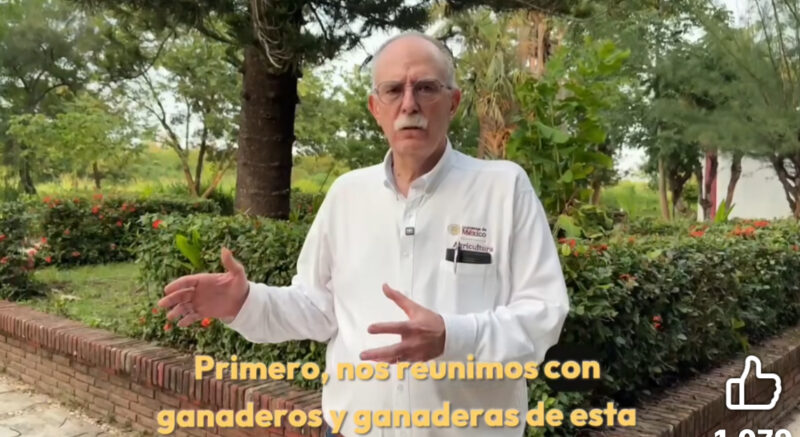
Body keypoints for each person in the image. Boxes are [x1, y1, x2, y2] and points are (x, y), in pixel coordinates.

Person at [158, 31, 570, 437]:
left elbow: (544, 315)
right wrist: (244, 302)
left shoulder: (503, 188)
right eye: (393, 90)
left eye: (426, 88)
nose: (409, 104)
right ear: (376, 107)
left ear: (454, 102)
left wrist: (452, 336)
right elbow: (316, 307)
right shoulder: (347, 194)